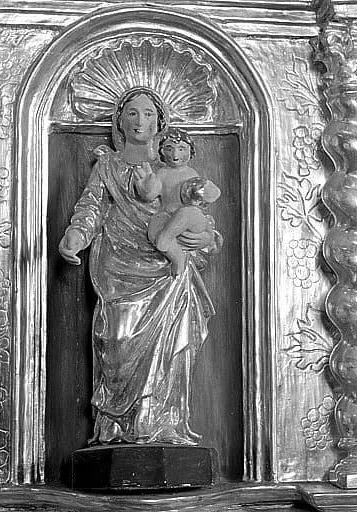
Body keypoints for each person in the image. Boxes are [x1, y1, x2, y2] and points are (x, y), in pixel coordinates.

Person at [59, 87, 218, 446]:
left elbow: (200, 213)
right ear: (119, 121)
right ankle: (116, 426)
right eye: (132, 113)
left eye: (148, 114)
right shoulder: (108, 166)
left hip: (167, 270)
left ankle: (160, 423)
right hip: (119, 267)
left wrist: (204, 237)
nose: (139, 121)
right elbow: (91, 207)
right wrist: (75, 236)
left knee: (171, 346)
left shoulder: (173, 169)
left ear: (160, 122)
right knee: (117, 340)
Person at [134, 128, 221, 276]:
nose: (175, 155)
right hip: (167, 218)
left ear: (190, 151)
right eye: (169, 148)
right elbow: (150, 194)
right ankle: (177, 258)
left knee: (187, 212)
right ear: (162, 151)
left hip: (190, 219)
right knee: (158, 229)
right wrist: (146, 186)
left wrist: (208, 192)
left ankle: (166, 238)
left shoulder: (191, 174)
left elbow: (209, 195)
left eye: (181, 149)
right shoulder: (162, 173)